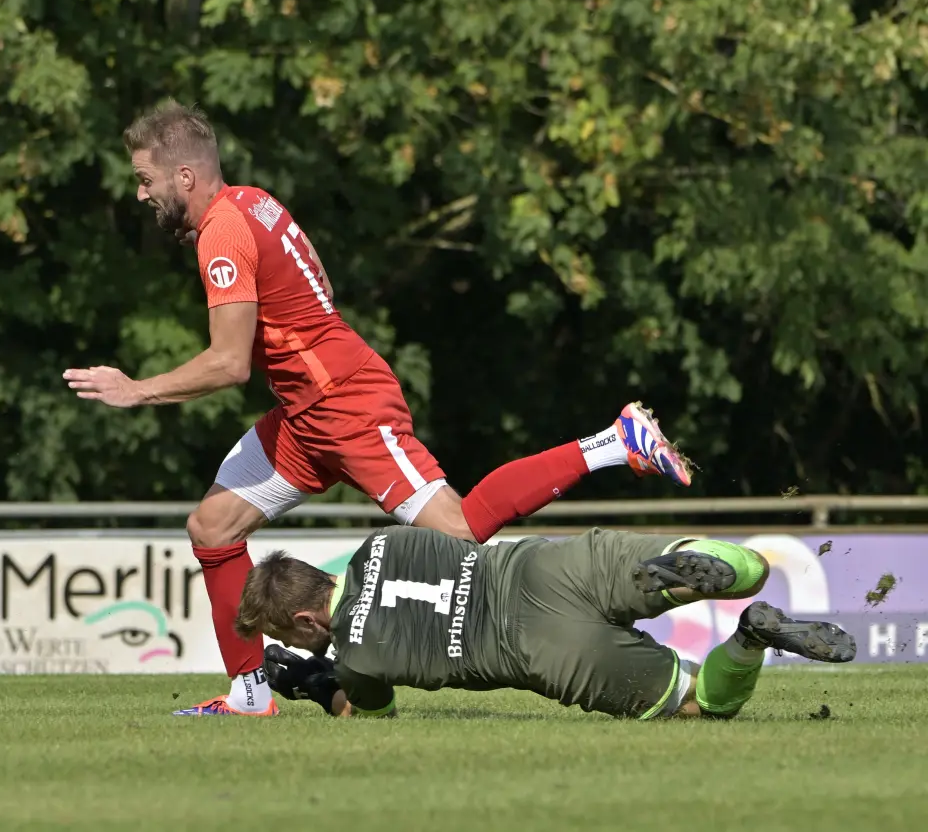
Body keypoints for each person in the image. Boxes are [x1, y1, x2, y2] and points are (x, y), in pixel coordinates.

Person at [64, 100, 693, 716]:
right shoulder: (254, 201)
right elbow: (321, 284)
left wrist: (137, 389)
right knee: (212, 529)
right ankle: (249, 697)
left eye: (145, 179)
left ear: (184, 176)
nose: (141, 194)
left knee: (460, 532)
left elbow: (229, 363)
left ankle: (616, 441)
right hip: (306, 417)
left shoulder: (223, 232)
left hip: (347, 405)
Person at [238, 527, 856, 720]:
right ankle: (710, 568)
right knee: (740, 567)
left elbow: (370, 713)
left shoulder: (358, 659)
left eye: (288, 635)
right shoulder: (383, 541)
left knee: (702, 703)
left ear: (305, 619)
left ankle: (749, 638)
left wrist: (314, 683)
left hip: (543, 647)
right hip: (545, 568)